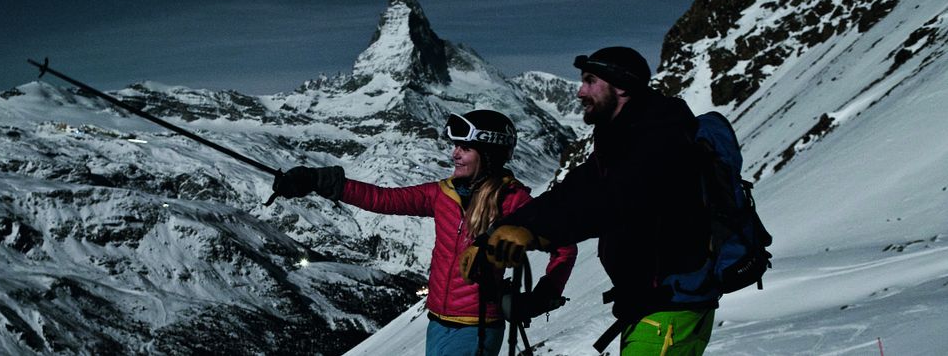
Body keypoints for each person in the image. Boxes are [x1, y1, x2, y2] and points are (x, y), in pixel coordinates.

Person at [272, 109, 578, 356]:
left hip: (478, 327)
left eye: (465, 147)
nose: (454, 154)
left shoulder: (514, 201)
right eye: (455, 146)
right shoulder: (442, 194)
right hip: (437, 323)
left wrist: (543, 296)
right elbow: (384, 200)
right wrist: (318, 180)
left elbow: (563, 245)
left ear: (489, 154)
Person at [479, 47, 716, 355]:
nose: (580, 91)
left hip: (669, 309)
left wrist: (532, 234)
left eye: (590, 80)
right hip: (653, 308)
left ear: (621, 86)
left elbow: (608, 203)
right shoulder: (627, 137)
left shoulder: (658, 139)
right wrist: (506, 227)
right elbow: (572, 193)